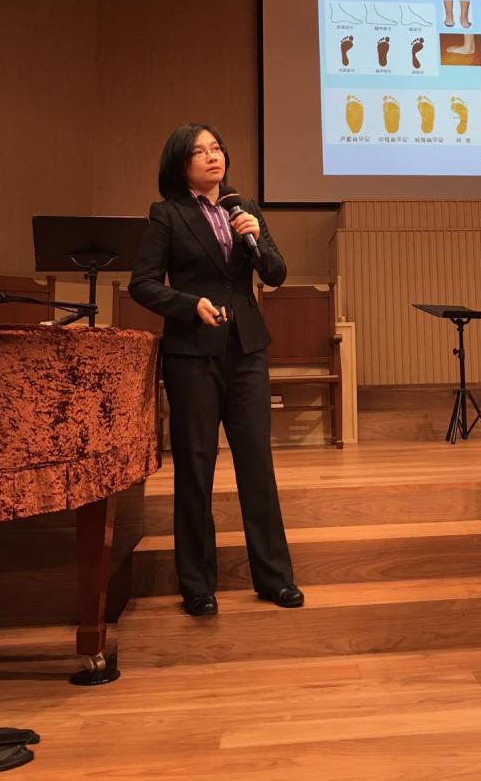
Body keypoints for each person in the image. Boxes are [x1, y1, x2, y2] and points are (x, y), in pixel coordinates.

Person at [129, 123, 302, 616]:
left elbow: (276, 274)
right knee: (195, 466)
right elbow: (142, 283)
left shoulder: (243, 208)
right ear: (180, 164)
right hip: (192, 355)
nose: (213, 156)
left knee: (257, 465)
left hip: (246, 351)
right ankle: (197, 586)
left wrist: (257, 237)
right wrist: (189, 305)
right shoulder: (167, 214)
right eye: (200, 151)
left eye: (217, 148)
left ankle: (275, 578)